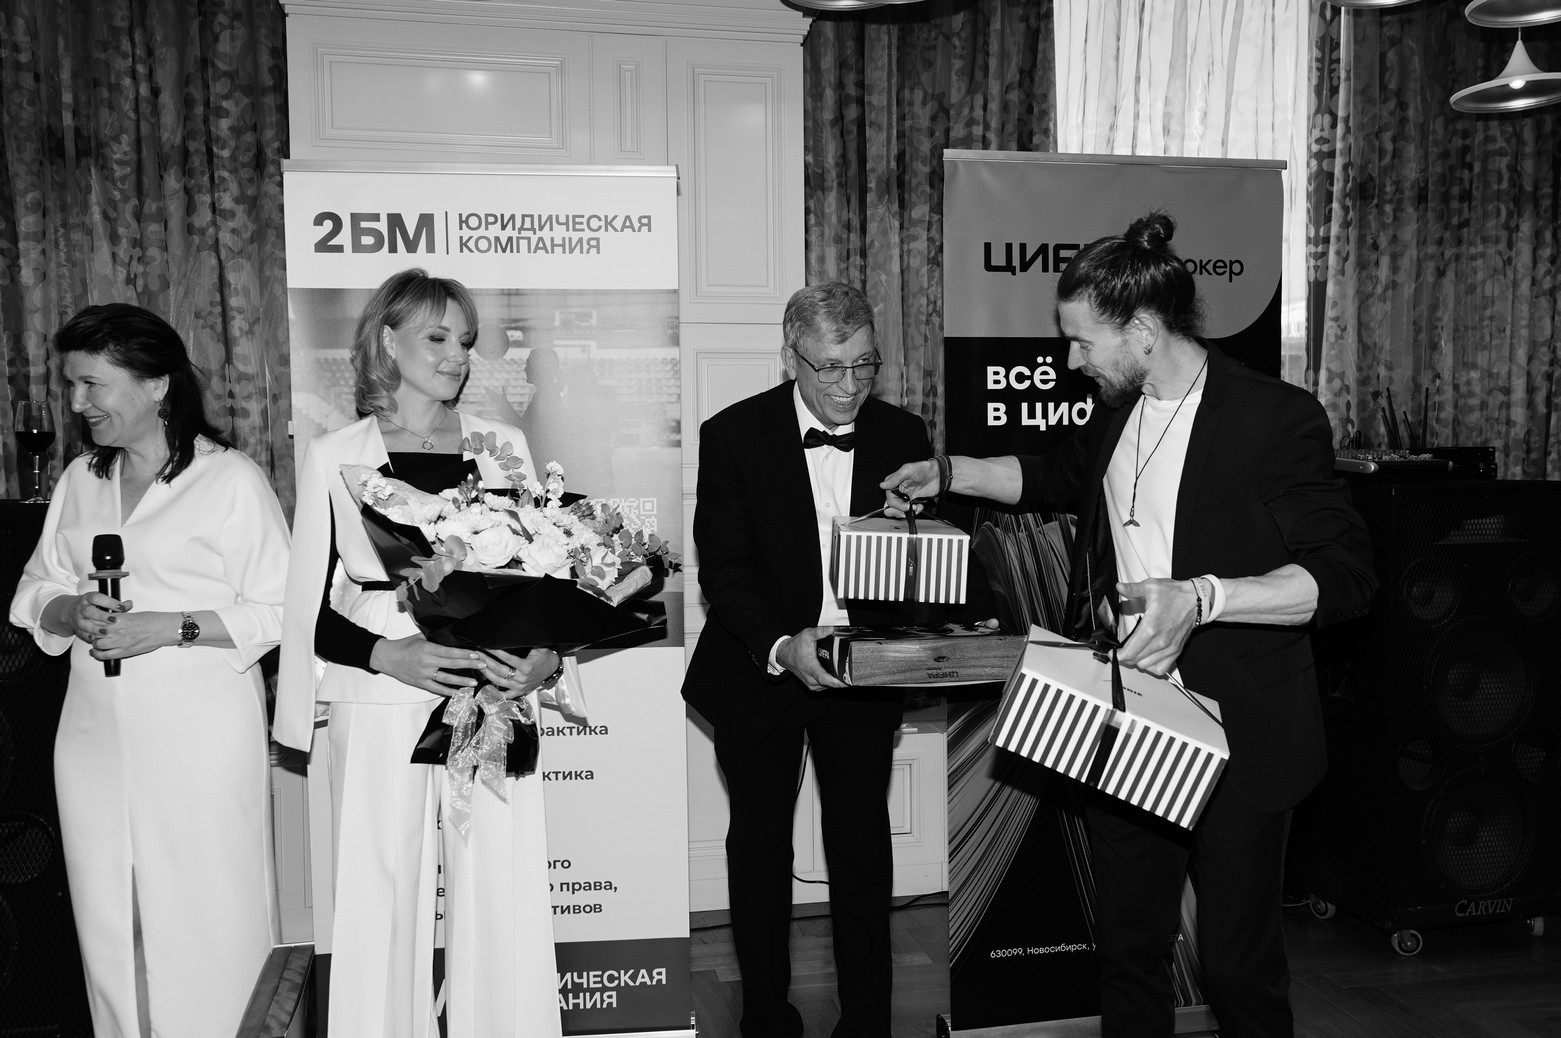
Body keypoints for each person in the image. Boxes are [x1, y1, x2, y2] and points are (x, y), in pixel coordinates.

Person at [883, 212, 1377, 1038]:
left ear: (1143, 331)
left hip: (1239, 731)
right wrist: (945, 471)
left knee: (1237, 967)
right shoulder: (1117, 409)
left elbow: (1345, 575)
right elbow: (1049, 476)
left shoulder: (1272, 418)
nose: (1070, 361)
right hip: (1129, 721)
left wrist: (1203, 597)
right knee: (1126, 948)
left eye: (1082, 342)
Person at [273, 269, 563, 1038]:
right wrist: (386, 655)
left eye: (465, 340)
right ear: (386, 340)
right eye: (437, 337)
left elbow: (544, 578)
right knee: (379, 892)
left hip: (494, 693)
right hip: (378, 694)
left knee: (502, 888)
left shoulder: (504, 447)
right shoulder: (335, 454)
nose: (456, 355)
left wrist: (544, 657)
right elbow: (306, 612)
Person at [10, 303, 289, 1038]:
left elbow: (279, 610)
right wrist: (69, 611)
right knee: (110, 921)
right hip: (92, 736)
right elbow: (33, 590)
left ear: (157, 384)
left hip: (200, 736)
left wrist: (169, 627)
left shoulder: (229, 480)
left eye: (92, 384)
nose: (78, 403)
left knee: (206, 920)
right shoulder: (80, 479)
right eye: (73, 385)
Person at [681, 282, 933, 1038]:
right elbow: (724, 571)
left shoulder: (904, 432)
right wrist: (784, 645)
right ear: (790, 355)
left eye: (864, 364)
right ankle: (765, 1017)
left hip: (862, 674)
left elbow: (927, 560)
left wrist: (916, 541)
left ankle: (867, 1023)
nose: (850, 386)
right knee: (758, 848)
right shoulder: (733, 433)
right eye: (830, 367)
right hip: (759, 667)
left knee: (861, 851)